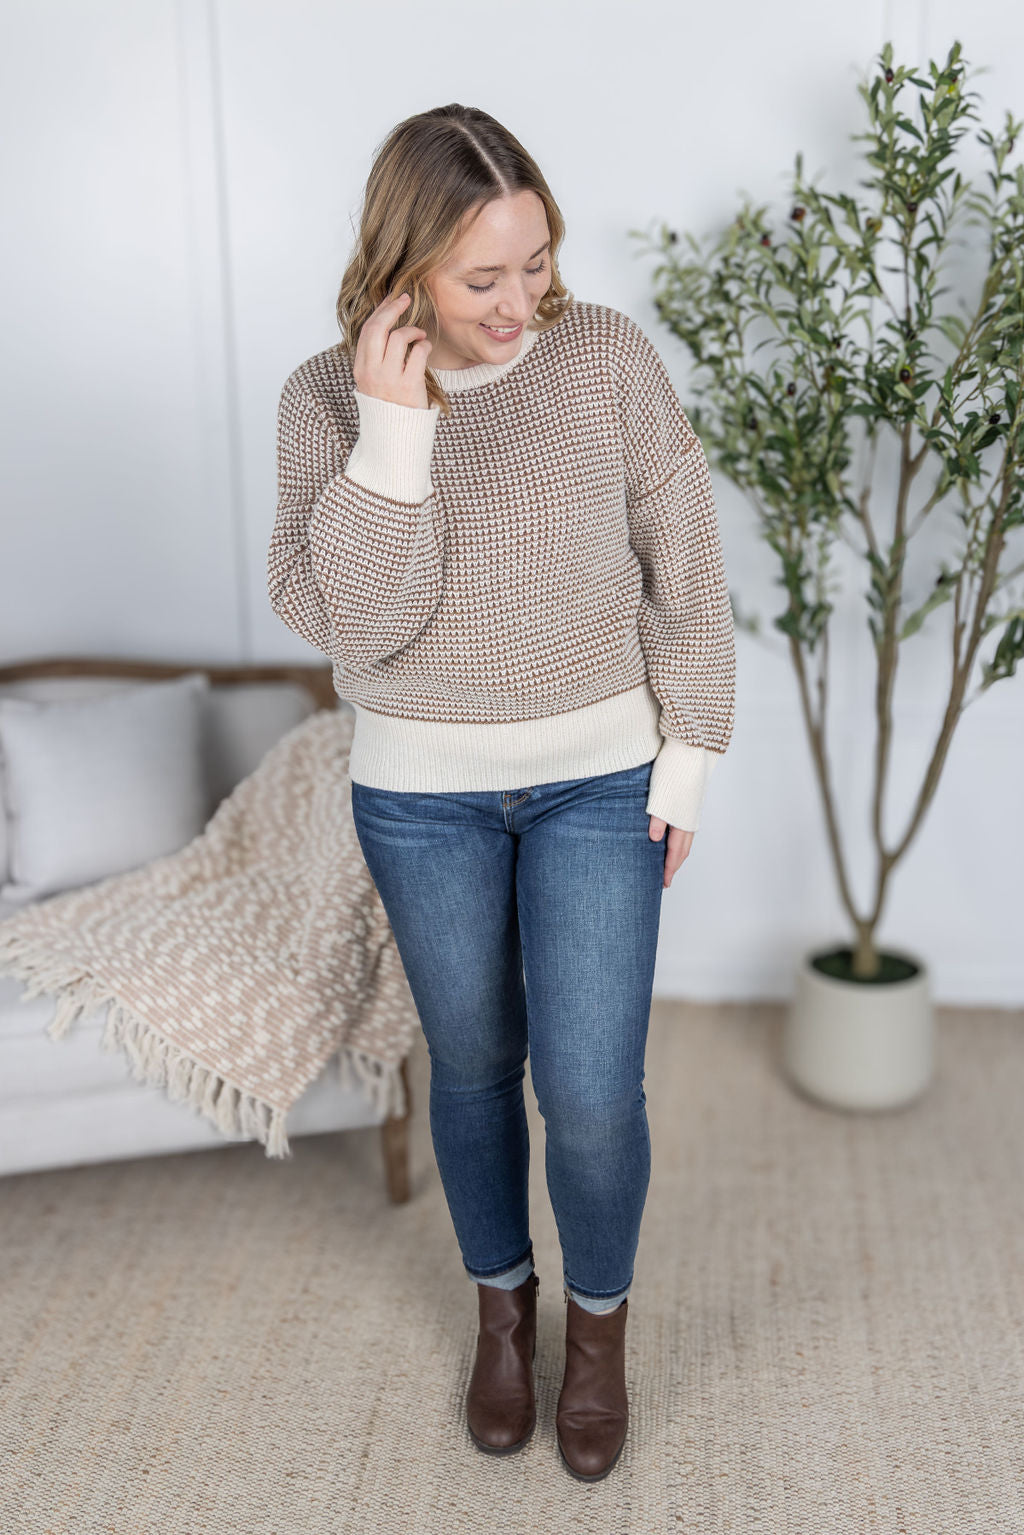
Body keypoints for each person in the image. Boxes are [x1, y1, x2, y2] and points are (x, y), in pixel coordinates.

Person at [268, 102, 736, 1482]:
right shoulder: (322, 400)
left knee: (590, 1092)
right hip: (420, 801)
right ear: (405, 265)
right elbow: (362, 627)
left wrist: (690, 757)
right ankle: (502, 1313)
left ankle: (597, 1334)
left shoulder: (605, 358)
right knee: (473, 1068)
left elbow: (686, 558)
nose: (521, 302)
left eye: (536, 262)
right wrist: (394, 433)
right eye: (484, 277)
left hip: (602, 779)